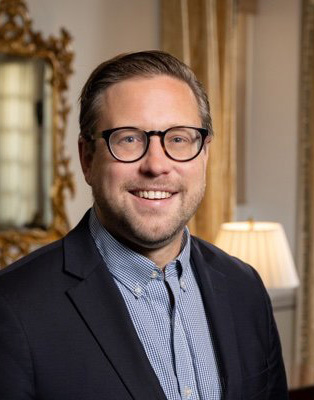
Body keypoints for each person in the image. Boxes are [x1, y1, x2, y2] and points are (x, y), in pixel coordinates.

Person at [0, 50, 288, 400]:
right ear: (87, 158)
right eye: (129, 138)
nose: (156, 165)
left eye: (179, 139)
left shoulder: (246, 290)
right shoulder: (14, 308)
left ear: (205, 154)